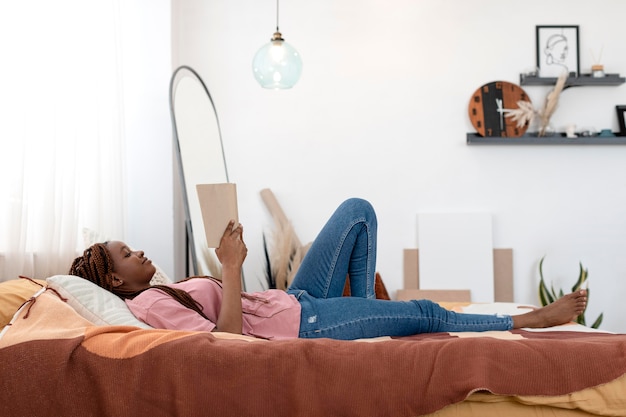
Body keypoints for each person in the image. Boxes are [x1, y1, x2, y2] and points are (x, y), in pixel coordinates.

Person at [69, 198, 587, 340]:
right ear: (115, 280)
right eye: (128, 254)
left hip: (292, 300)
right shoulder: (152, 305)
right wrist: (229, 267)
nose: (140, 253)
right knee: (428, 312)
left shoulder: (163, 289)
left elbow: (237, 312)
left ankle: (368, 325)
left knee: (357, 212)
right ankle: (528, 321)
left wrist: (234, 268)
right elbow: (227, 344)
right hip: (303, 325)